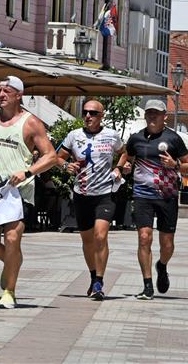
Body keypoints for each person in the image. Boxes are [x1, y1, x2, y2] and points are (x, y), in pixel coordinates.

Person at [0, 76, 56, 309]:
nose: (0, 95)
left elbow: (50, 156)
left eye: (6, 92)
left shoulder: (31, 123)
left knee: (12, 238)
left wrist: (27, 171)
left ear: (18, 95)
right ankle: (12, 264)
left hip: (20, 192)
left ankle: (9, 291)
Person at [117, 99, 188, 300]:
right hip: (142, 195)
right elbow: (126, 156)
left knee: (167, 244)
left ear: (164, 117)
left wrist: (175, 164)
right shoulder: (136, 138)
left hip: (167, 196)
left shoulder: (173, 139)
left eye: (156, 113)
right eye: (149, 113)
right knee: (144, 238)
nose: (152, 116)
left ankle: (162, 265)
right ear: (145, 115)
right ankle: (147, 285)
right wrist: (123, 167)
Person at [56, 100, 125, 300]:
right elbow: (57, 157)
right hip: (82, 194)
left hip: (105, 194)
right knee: (87, 240)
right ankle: (93, 275)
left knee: (100, 236)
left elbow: (124, 152)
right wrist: (65, 166)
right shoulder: (74, 136)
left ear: (101, 115)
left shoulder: (111, 135)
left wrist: (119, 167)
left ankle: (99, 282)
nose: (88, 116)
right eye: (85, 112)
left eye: (93, 113)